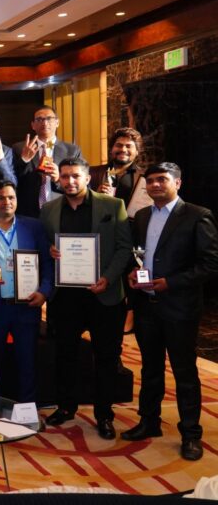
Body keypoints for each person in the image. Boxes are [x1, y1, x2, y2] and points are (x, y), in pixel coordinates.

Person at [121, 163, 218, 461]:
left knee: (184, 373)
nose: (155, 185)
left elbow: (210, 264)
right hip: (146, 306)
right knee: (150, 369)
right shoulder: (141, 216)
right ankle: (149, 422)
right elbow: (136, 256)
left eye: (161, 179)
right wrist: (132, 274)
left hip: (179, 308)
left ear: (178, 182)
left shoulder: (197, 215)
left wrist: (171, 283)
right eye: (150, 181)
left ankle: (191, 434)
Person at [39, 158, 131, 439]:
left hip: (104, 295)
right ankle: (66, 407)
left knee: (106, 357)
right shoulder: (49, 209)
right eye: (65, 176)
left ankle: (104, 415)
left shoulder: (113, 205)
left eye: (75, 176)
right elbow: (45, 245)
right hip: (66, 297)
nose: (70, 181)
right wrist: (51, 249)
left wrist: (109, 278)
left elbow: (124, 248)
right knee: (65, 355)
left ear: (88, 178)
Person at [0, 181, 53, 403]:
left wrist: (44, 292)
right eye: (1, 197)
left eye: (11, 197)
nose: (7, 202)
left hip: (26, 305)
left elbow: (48, 264)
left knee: (27, 361)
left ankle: (27, 409)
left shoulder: (34, 227)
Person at [12, 107, 83, 217]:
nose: (45, 123)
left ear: (57, 123)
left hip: (61, 211)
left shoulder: (72, 151)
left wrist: (59, 179)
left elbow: (82, 185)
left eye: (49, 118)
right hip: (28, 212)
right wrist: (24, 160)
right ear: (33, 125)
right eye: (39, 119)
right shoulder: (19, 148)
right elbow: (11, 179)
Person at [90, 127, 150, 216]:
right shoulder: (91, 173)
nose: (123, 149)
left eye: (128, 146)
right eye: (119, 145)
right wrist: (95, 197)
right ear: (111, 149)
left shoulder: (146, 177)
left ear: (137, 151)